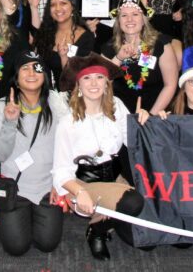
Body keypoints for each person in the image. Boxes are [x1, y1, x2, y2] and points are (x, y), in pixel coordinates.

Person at [51, 54, 148, 260]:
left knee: (138, 239)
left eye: (99, 77)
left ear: (107, 84)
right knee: (133, 203)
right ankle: (97, 230)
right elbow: (61, 171)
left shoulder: (117, 106)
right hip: (83, 183)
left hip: (113, 179)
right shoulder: (67, 122)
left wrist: (143, 122)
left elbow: (133, 142)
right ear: (78, 85)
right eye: (87, 78)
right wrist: (80, 192)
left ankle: (103, 222)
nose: (93, 83)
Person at [0, 51, 69, 256]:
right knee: (16, 247)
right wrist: (10, 122)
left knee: (48, 243)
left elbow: (69, 149)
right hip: (15, 188)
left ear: (45, 75)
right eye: (25, 68)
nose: (32, 73)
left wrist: (60, 185)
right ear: (16, 76)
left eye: (37, 67)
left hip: (47, 188)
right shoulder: (1, 107)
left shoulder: (56, 105)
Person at [101, 0, 179, 114]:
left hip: (156, 114)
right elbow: (101, 85)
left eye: (135, 14)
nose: (129, 19)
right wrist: (119, 58)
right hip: (120, 116)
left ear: (143, 20)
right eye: (124, 15)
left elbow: (170, 85)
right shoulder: (110, 47)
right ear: (118, 21)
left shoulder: (161, 45)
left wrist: (151, 117)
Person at [33, 0, 93, 88]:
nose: (58, 8)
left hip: (75, 97)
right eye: (53, 4)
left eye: (63, 3)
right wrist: (33, 7)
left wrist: (64, 57)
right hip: (47, 96)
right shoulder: (45, 33)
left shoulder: (86, 37)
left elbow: (85, 78)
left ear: (73, 7)